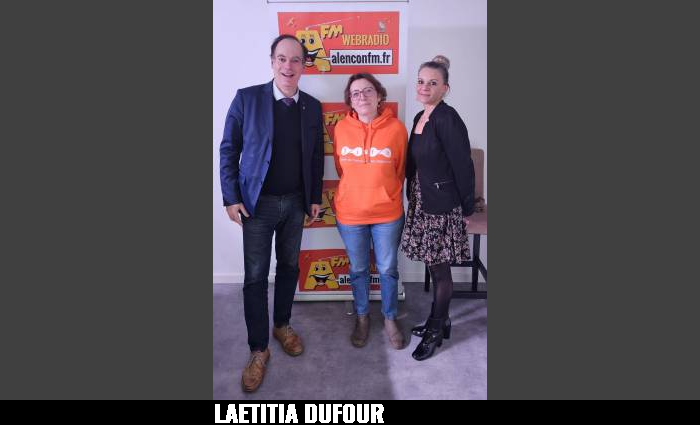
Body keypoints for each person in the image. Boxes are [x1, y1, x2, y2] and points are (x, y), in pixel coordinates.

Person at [219, 34, 324, 392]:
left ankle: (281, 325)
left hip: (295, 203)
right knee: (255, 277)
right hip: (256, 205)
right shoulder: (247, 99)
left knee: (290, 267)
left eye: (295, 60)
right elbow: (228, 149)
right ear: (272, 61)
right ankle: (258, 349)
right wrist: (230, 197)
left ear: (304, 65)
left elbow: (315, 156)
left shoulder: (312, 107)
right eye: (282, 58)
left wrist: (314, 197)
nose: (288, 66)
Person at [401, 55, 476, 361]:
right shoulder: (422, 116)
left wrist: (467, 209)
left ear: (445, 88)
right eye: (421, 81)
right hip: (424, 200)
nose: (425, 87)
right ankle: (440, 321)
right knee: (434, 266)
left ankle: (436, 329)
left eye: (432, 83)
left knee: (441, 270)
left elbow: (463, 166)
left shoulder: (448, 118)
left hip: (442, 206)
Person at [333, 73, 408, 350]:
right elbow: (341, 169)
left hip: (387, 214)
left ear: (379, 96)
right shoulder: (341, 128)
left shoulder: (397, 129)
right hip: (350, 214)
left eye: (367, 91)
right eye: (355, 93)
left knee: (388, 269)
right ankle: (362, 317)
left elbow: (400, 170)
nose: (362, 96)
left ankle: (389, 318)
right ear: (350, 100)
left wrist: (382, 193)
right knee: (359, 269)